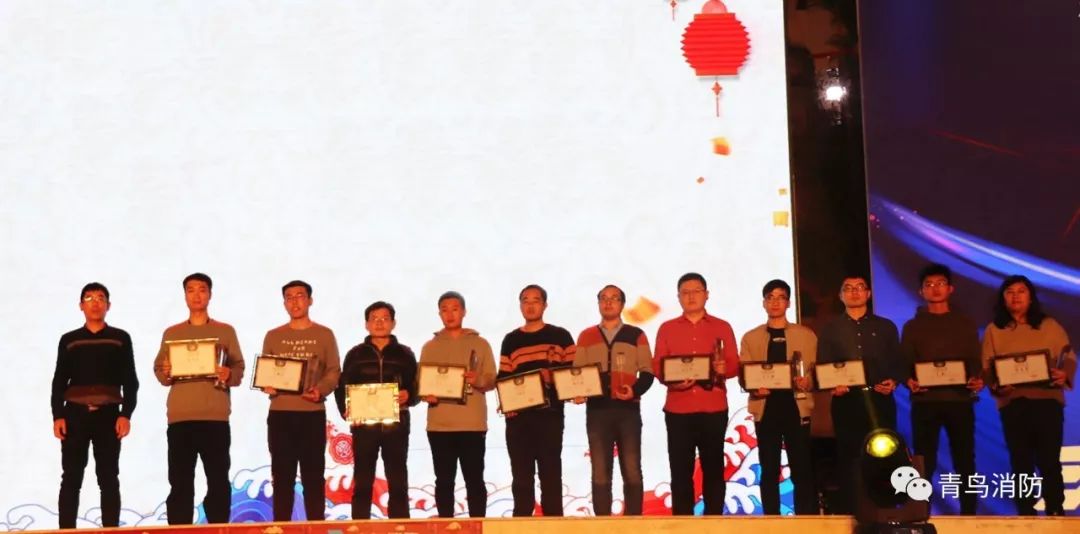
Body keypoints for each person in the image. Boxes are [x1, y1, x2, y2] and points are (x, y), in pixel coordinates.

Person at [153, 272, 245, 524]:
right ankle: (179, 529)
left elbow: (238, 368)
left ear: (210, 294)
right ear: (185, 296)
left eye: (202, 289)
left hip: (215, 416)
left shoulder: (225, 331)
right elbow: (160, 370)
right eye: (191, 290)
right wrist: (166, 372)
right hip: (180, 417)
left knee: (218, 479)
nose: (196, 295)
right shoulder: (172, 333)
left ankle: (219, 528)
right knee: (180, 481)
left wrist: (228, 373)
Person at [982, 275, 1075, 516]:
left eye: (1021, 291)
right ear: (1003, 298)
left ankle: (1055, 508)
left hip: (1047, 401)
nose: (1015, 296)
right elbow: (987, 366)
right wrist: (997, 386)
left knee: (1049, 459)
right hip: (1013, 403)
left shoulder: (1049, 325)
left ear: (1031, 297)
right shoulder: (994, 330)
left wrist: (1063, 373)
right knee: (1020, 460)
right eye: (1010, 291)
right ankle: (1025, 511)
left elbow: (1068, 356)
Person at [51, 282, 139, 529]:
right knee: (71, 477)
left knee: (108, 477)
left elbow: (130, 380)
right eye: (89, 298)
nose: (95, 303)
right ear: (81, 306)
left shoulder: (120, 338)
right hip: (74, 415)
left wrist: (126, 414)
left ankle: (110, 529)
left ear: (108, 305)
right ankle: (66, 530)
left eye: (100, 298)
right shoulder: (69, 340)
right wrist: (58, 415)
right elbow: (59, 381)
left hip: (109, 416)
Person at [816, 274, 904, 515]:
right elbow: (823, 364)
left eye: (859, 287)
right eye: (848, 288)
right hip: (847, 401)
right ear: (840, 296)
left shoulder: (886, 327)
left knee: (885, 454)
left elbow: (898, 362)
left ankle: (885, 510)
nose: (854, 292)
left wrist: (894, 381)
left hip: (880, 399)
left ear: (868, 293)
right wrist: (833, 385)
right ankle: (853, 512)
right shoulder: (831, 329)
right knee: (849, 456)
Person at [652, 272, 739, 515]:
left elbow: (735, 364)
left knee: (713, 469)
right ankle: (683, 524)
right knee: (680, 472)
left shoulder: (722, 327)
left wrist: (724, 368)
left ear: (707, 294)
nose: (691, 296)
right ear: (678, 297)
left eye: (696, 291)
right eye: (685, 292)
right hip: (678, 409)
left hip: (713, 407)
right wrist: (674, 382)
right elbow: (658, 365)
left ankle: (714, 523)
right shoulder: (667, 328)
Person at [900, 264, 982, 515]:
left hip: (960, 400)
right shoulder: (912, 326)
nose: (935, 289)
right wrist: (908, 380)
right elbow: (905, 362)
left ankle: (969, 514)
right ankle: (919, 511)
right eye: (929, 285)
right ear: (921, 291)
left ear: (950, 289)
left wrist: (977, 379)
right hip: (925, 401)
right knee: (924, 459)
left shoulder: (965, 323)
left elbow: (975, 360)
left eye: (940, 283)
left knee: (965, 459)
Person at [260, 280, 341, 521]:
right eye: (289, 297)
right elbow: (267, 372)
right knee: (282, 477)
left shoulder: (324, 334)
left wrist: (321, 390)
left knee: (313, 477)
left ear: (310, 300)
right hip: (280, 414)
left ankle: (316, 527)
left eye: (300, 296)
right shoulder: (273, 335)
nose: (295, 302)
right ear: (284, 303)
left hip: (312, 413)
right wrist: (266, 384)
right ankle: (281, 527)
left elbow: (334, 371)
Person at [572, 284, 654, 516]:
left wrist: (634, 390)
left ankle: (633, 524)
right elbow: (577, 374)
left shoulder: (636, 335)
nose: (608, 302)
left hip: (628, 412)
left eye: (614, 298)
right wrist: (577, 392)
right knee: (600, 473)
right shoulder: (586, 336)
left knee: (632, 471)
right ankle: (602, 526)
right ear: (598, 303)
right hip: (597, 411)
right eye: (603, 298)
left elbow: (648, 373)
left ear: (622, 304)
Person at [738, 279, 816, 515]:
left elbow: (816, 371)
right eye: (770, 298)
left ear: (788, 303)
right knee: (769, 468)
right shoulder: (751, 337)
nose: (775, 302)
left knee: (802, 468)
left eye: (780, 297)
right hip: (766, 408)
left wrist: (808, 382)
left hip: (797, 407)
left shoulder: (806, 336)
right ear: (764, 303)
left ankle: (806, 521)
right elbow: (744, 375)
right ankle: (772, 521)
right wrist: (754, 388)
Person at [334, 301, 418, 519]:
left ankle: (400, 527)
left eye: (385, 319)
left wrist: (410, 395)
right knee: (362, 481)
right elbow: (341, 386)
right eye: (374, 319)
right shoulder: (355, 354)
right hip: (364, 427)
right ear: (366, 324)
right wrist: (346, 410)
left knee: (398, 481)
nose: (379, 323)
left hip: (397, 426)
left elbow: (418, 386)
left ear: (393, 323)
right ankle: (359, 527)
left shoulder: (405, 354)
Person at [498, 284, 576, 517]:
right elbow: (503, 378)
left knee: (550, 475)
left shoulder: (561, 336)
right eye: (525, 301)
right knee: (521, 479)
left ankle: (554, 526)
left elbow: (574, 376)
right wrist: (507, 404)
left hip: (550, 416)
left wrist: (552, 377)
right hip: (518, 419)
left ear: (545, 305)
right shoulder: (511, 340)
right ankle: (521, 525)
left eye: (536, 301)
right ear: (520, 305)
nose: (530, 305)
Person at [419, 291, 497, 518]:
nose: (450, 314)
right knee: (444, 481)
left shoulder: (480, 344)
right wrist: (426, 395)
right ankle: (445, 526)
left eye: (455, 309)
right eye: (444, 310)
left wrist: (478, 380)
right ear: (439, 314)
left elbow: (492, 379)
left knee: (474, 479)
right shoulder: (430, 346)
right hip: (439, 424)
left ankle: (478, 526)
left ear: (464, 312)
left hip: (472, 423)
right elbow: (421, 383)